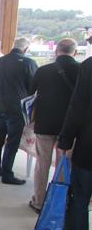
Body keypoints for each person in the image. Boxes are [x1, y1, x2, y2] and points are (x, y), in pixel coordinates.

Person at [29, 39, 80, 214]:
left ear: (56, 51)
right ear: (74, 52)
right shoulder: (81, 70)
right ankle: (60, 203)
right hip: (69, 126)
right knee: (63, 164)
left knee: (42, 163)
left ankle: (39, 201)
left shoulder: (43, 70)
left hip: (44, 123)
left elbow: (31, 91)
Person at [0, 37, 38, 184]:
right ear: (25, 49)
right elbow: (34, 87)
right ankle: (7, 174)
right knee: (12, 142)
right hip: (17, 109)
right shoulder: (29, 63)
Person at [58, 56, 92, 230]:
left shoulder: (89, 66)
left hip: (88, 146)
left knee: (80, 197)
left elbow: (77, 106)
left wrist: (66, 140)